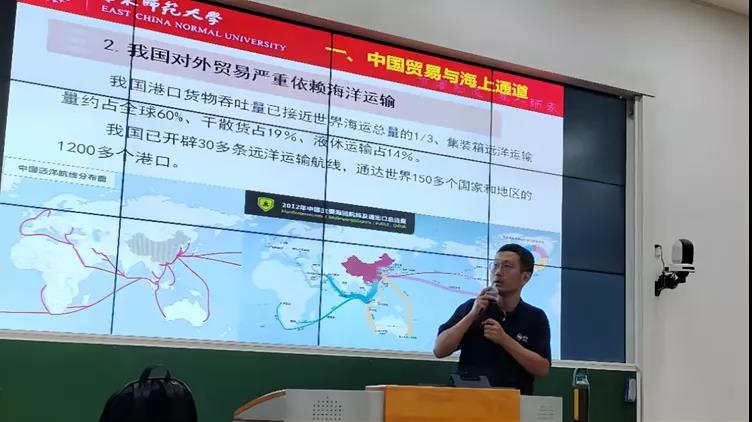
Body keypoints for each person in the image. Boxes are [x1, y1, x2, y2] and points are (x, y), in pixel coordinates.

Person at [434, 243, 551, 395]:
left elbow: (542, 369)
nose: (498, 272)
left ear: (525, 277)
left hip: (512, 402)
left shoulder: (535, 317)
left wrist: (504, 339)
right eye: (495, 265)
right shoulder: (472, 307)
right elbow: (440, 350)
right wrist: (471, 315)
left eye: (507, 266)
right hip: (467, 399)